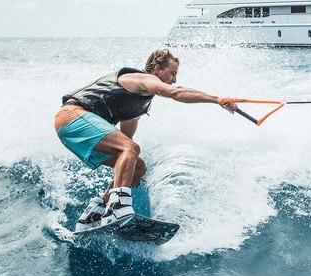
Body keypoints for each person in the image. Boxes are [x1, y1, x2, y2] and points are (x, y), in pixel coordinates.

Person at [54, 49, 237, 231]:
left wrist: (131, 173)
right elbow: (176, 92)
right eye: (172, 73)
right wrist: (217, 99)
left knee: (138, 166)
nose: (174, 80)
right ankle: (118, 207)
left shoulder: (138, 104)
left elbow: (126, 143)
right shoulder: (142, 79)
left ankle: (95, 212)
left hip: (76, 130)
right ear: (157, 69)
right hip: (72, 116)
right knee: (131, 148)